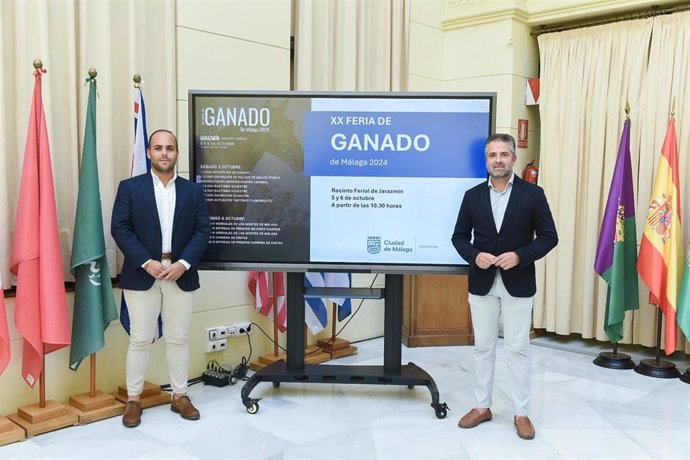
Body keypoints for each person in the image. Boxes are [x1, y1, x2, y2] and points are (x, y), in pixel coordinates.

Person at [451, 133, 558, 440]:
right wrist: (475, 256)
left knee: (518, 349)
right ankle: (482, 407)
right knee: (483, 347)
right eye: (492, 155)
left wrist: (520, 256)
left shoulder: (533, 195)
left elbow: (549, 236)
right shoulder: (472, 196)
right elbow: (459, 237)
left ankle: (521, 412)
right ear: (486, 160)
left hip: (519, 282)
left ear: (514, 159)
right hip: (482, 283)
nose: (498, 160)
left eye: (503, 154)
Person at [112, 129, 210, 428]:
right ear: (149, 153)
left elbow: (202, 230)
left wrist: (182, 263)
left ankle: (180, 396)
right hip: (143, 275)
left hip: (180, 274)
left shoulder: (193, 191)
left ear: (177, 153)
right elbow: (120, 228)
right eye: (158, 148)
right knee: (140, 340)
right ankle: (134, 400)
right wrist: (146, 262)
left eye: (170, 148)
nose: (164, 153)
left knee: (178, 339)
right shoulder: (130, 188)